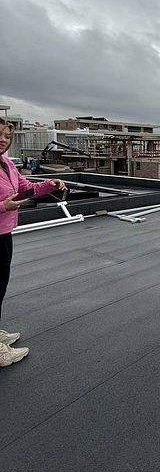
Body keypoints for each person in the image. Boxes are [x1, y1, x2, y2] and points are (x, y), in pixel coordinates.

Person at [0, 118, 66, 368]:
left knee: (1, 287)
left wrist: (50, 184)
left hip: (4, 233)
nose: (3, 140)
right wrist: (3, 206)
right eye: (0, 135)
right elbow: (7, 201)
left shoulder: (7, 164)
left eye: (7, 136)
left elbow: (24, 188)